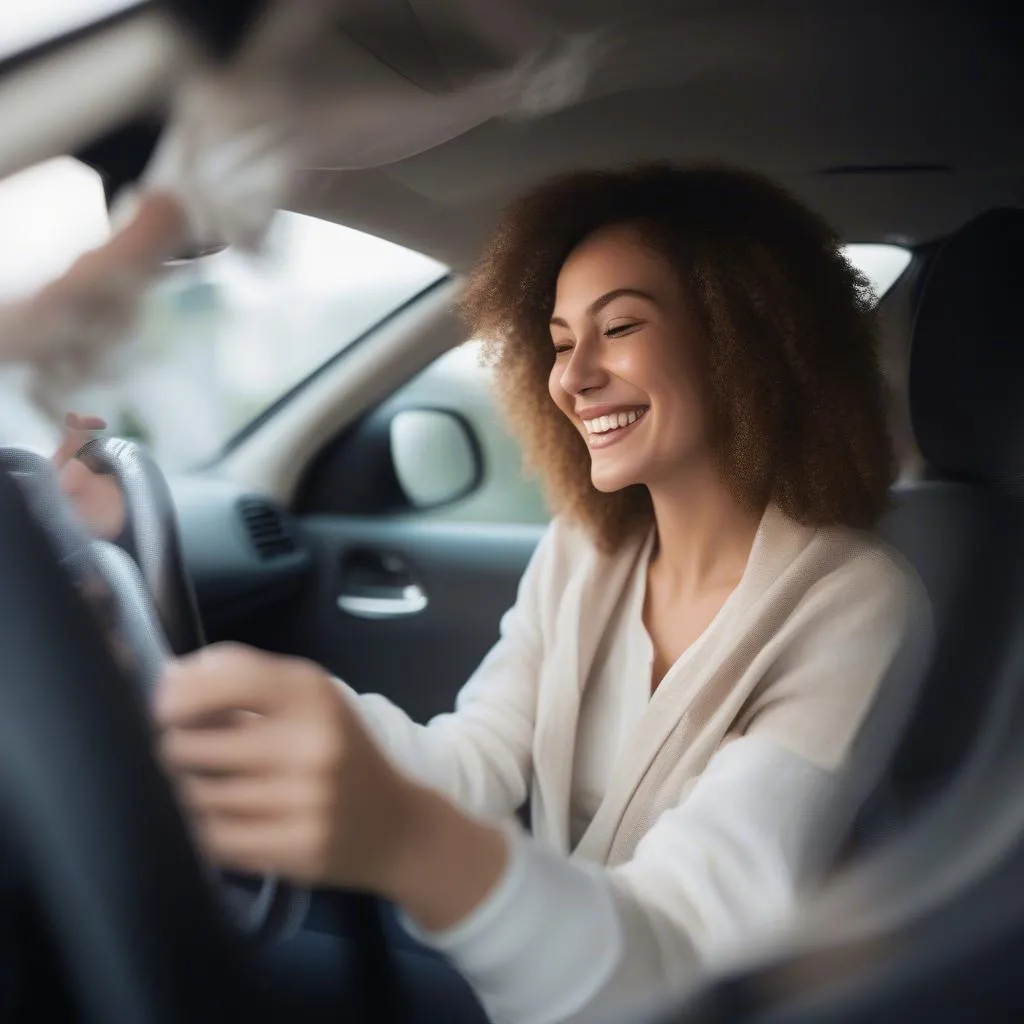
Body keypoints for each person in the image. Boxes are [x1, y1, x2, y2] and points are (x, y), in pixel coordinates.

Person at [148, 163, 926, 1024]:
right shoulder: (584, 550)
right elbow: (472, 764)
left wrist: (412, 841)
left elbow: (685, 952)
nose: (574, 377)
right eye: (558, 343)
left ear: (743, 334)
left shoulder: (857, 602)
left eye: (620, 326)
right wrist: (216, 696)